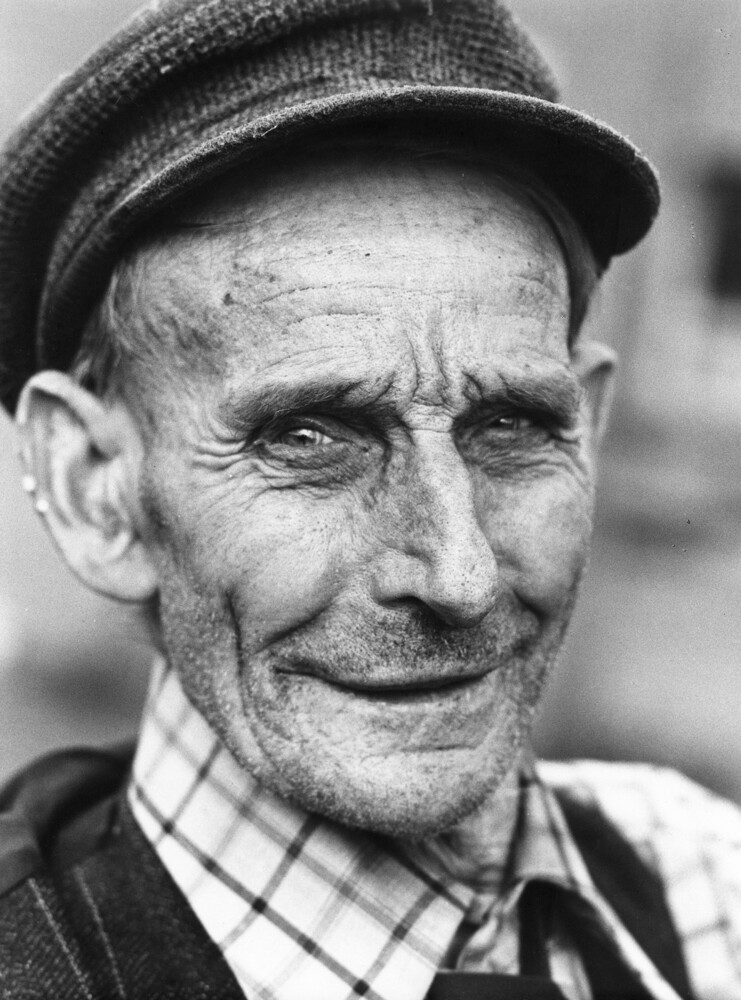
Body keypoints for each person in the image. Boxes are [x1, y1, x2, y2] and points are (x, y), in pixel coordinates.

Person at [0, 1, 738, 997]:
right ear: (96, 486)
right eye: (309, 437)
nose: (460, 575)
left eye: (513, 425)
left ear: (590, 431)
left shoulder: (704, 883)